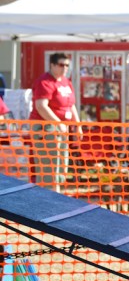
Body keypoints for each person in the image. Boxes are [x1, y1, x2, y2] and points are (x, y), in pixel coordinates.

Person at [29, 52, 81, 191]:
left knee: (61, 168)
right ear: (52, 65)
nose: (64, 68)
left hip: (61, 129)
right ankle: (50, 201)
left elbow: (71, 105)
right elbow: (41, 106)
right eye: (61, 65)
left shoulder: (66, 81)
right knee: (49, 169)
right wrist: (58, 123)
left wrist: (78, 126)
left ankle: (56, 197)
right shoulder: (44, 81)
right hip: (46, 129)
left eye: (67, 65)